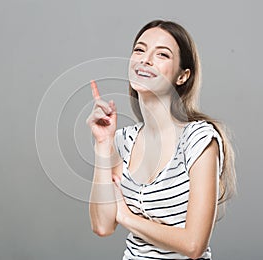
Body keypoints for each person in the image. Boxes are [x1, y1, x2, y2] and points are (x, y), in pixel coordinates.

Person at [86, 19, 236, 260]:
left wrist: (126, 217)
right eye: (139, 49)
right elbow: (102, 226)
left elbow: (194, 245)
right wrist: (103, 145)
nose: (145, 59)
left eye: (162, 55)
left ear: (182, 76)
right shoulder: (122, 140)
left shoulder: (199, 139)